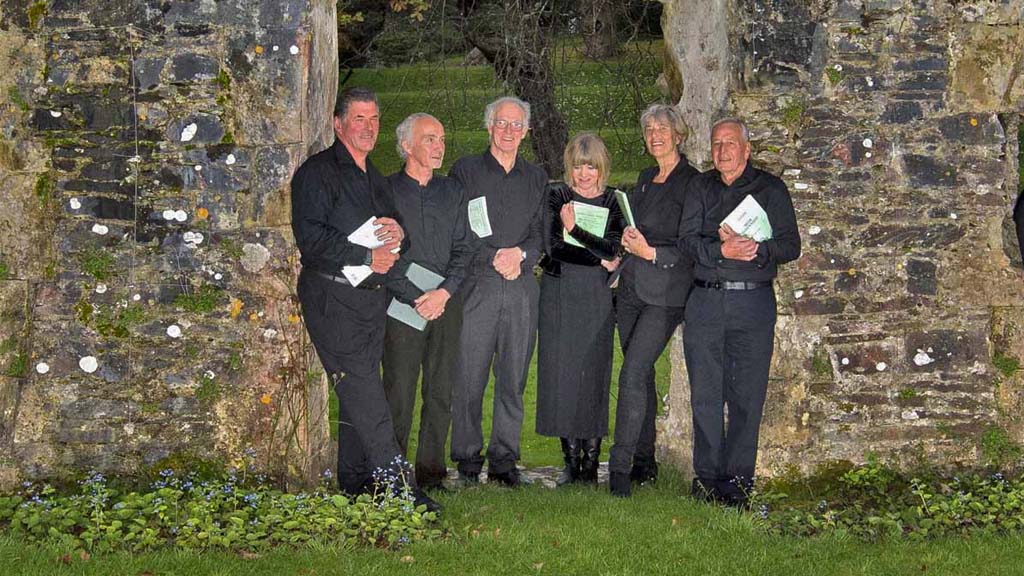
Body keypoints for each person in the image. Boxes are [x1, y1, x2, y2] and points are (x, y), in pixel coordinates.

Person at [290, 87, 439, 512]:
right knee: (370, 401)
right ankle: (401, 492)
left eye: (374, 119)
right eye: (359, 119)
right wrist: (364, 254)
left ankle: (355, 484)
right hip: (332, 299)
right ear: (338, 124)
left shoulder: (373, 176)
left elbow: (398, 239)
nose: (368, 127)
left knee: (358, 394)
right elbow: (311, 240)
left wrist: (399, 235)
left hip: (369, 303)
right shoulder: (316, 174)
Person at [679, 117, 801, 508]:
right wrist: (721, 251)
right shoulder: (699, 187)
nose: (722, 151)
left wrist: (757, 249)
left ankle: (738, 482)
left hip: (753, 303)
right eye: (716, 144)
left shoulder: (770, 189)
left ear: (747, 149)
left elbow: (791, 245)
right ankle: (708, 479)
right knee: (706, 395)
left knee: (748, 395)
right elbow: (686, 241)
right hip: (706, 301)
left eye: (730, 143)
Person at [449, 96, 547, 487]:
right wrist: (493, 256)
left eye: (516, 124)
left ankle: (505, 460)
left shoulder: (537, 177)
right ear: (488, 126)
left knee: (513, 378)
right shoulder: (466, 171)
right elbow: (459, 227)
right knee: (469, 377)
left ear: (526, 131)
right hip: (478, 286)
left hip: (522, 287)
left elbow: (542, 234)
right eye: (502, 123)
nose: (509, 131)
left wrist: (521, 254)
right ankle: (467, 460)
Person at [608, 104, 700, 497]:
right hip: (630, 288)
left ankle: (618, 469)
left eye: (662, 128)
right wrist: (624, 247)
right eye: (648, 129)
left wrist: (651, 254)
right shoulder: (645, 179)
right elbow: (638, 229)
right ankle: (645, 463)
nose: (655, 135)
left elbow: (692, 245)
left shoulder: (693, 182)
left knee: (631, 373)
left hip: (666, 294)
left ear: (678, 134)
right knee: (640, 376)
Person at [382, 113, 475, 491]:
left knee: (440, 392)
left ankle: (431, 473)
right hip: (402, 304)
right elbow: (380, 252)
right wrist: (415, 296)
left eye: (441, 139)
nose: (439, 147)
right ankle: (392, 474)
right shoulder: (384, 191)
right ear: (407, 145)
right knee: (398, 394)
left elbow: (465, 249)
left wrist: (443, 293)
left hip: (446, 303)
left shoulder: (454, 191)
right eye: (430, 139)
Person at [536, 132, 624, 486]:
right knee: (562, 376)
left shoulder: (615, 200)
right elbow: (553, 247)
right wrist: (597, 255)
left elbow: (615, 249)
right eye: (577, 166)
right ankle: (571, 460)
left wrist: (576, 230)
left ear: (601, 168)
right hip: (559, 295)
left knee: (593, 374)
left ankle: (592, 459)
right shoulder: (556, 194)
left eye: (590, 166)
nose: (584, 174)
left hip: (597, 299)